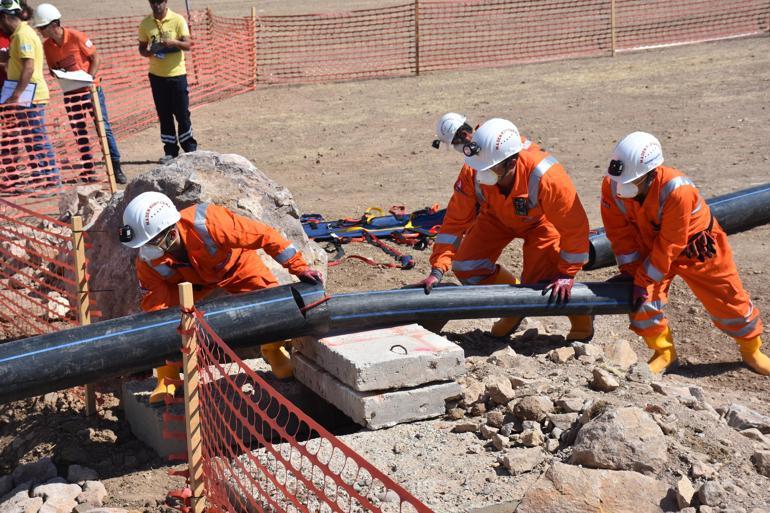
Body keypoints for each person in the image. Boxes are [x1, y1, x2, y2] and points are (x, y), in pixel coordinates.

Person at [119, 191, 324, 403]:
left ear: (170, 234)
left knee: (272, 304)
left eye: (152, 241)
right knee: (164, 321)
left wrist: (299, 268)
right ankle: (167, 377)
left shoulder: (210, 222)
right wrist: (151, 356)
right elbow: (155, 310)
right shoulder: (148, 263)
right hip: (190, 284)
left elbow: (265, 236)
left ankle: (273, 351)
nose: (147, 249)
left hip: (235, 267)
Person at [600, 131, 769, 375]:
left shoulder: (677, 190)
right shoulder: (612, 185)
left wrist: (645, 277)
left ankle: (752, 350)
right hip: (651, 248)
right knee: (641, 300)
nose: (622, 188)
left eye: (632, 182)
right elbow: (618, 234)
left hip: (697, 249)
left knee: (729, 300)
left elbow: (671, 242)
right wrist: (632, 273)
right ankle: (664, 353)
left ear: (651, 173)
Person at [415, 117, 593, 341]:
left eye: (489, 168)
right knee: (467, 266)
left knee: (542, 284)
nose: (482, 173)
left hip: (540, 223)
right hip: (497, 217)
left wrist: (567, 273)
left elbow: (574, 227)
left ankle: (583, 323)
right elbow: (455, 221)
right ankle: (513, 306)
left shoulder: (548, 177)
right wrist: (437, 269)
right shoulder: (475, 168)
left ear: (511, 162)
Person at [34, 3, 127, 185]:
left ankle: (116, 167)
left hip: (91, 90)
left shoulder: (77, 37)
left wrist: (89, 79)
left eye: (42, 27)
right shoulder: (47, 46)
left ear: (53, 25)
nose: (40, 31)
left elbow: (96, 58)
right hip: (70, 92)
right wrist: (59, 73)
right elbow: (53, 68)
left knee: (103, 129)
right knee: (79, 131)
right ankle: (88, 169)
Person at [0, 0, 59, 191]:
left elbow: (29, 67)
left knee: (37, 138)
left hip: (31, 96)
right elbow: (17, 61)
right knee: (31, 139)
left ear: (5, 18)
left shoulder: (23, 35)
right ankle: (39, 178)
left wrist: (16, 94)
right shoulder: (18, 36)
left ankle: (50, 181)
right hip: (26, 96)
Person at [138, 0, 197, 164]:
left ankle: (190, 148)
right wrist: (149, 51)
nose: (156, 5)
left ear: (165, 2)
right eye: (153, 2)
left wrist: (174, 43)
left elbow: (188, 44)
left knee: (182, 113)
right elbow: (142, 48)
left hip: (177, 75)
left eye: (159, 1)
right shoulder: (145, 24)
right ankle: (170, 150)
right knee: (164, 115)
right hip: (156, 76)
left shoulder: (178, 20)